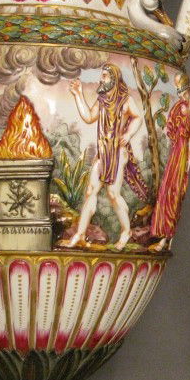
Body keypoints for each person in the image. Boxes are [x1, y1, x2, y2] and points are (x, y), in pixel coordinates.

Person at [65, 63, 145, 250]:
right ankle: (80, 233)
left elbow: (138, 117)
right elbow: (88, 117)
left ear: (114, 79)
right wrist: (78, 95)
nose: (101, 79)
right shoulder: (102, 100)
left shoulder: (125, 100)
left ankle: (126, 231)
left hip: (117, 152)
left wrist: (128, 134)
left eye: (105, 76)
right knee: (90, 190)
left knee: (113, 194)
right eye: (101, 75)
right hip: (103, 152)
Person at [150, 72, 190, 251]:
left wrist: (188, 161)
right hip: (177, 151)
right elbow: (170, 130)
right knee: (169, 190)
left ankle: (167, 237)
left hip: (181, 152)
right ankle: (163, 235)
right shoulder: (180, 106)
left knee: (175, 191)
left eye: (182, 89)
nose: (180, 93)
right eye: (179, 90)